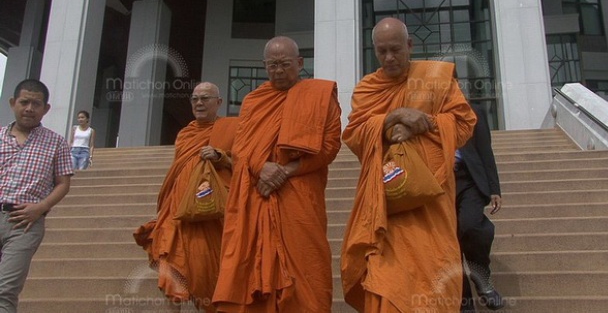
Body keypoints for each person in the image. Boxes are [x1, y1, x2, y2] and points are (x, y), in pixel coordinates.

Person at [340, 17, 477, 312]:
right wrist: (390, 120)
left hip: (432, 203)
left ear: (410, 45)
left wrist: (423, 123)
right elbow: (354, 135)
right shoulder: (367, 88)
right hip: (386, 207)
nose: (389, 58)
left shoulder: (435, 77)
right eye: (381, 51)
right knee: (386, 281)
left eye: (395, 50)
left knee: (434, 279)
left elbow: (464, 125)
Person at [212, 36, 342, 312]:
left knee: (307, 265)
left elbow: (330, 145)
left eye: (285, 64)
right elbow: (242, 147)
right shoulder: (254, 101)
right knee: (255, 264)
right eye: (272, 65)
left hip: (301, 194)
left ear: (300, 62)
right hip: (259, 193)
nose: (279, 71)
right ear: (264, 66)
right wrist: (262, 167)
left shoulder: (319, 96)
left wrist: (286, 170)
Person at [133, 82, 238, 312]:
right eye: (195, 99)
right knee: (171, 261)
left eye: (206, 98)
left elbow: (245, 165)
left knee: (207, 269)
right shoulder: (186, 133)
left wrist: (221, 156)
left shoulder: (232, 128)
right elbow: (177, 170)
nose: (199, 103)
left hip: (211, 213)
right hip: (177, 210)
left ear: (219, 102)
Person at [0, 79, 73, 312]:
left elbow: (63, 183)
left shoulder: (56, 143)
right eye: (24, 102)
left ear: (46, 108)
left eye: (36, 103)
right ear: (13, 103)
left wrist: (40, 207)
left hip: (24, 223)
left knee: (5, 289)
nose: (29, 108)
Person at [455, 104, 504, 311]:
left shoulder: (473, 112)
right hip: (438, 183)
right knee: (449, 245)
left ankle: (482, 276)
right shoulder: (425, 112)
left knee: (471, 225)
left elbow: (485, 149)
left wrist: (494, 187)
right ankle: (464, 302)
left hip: (469, 180)